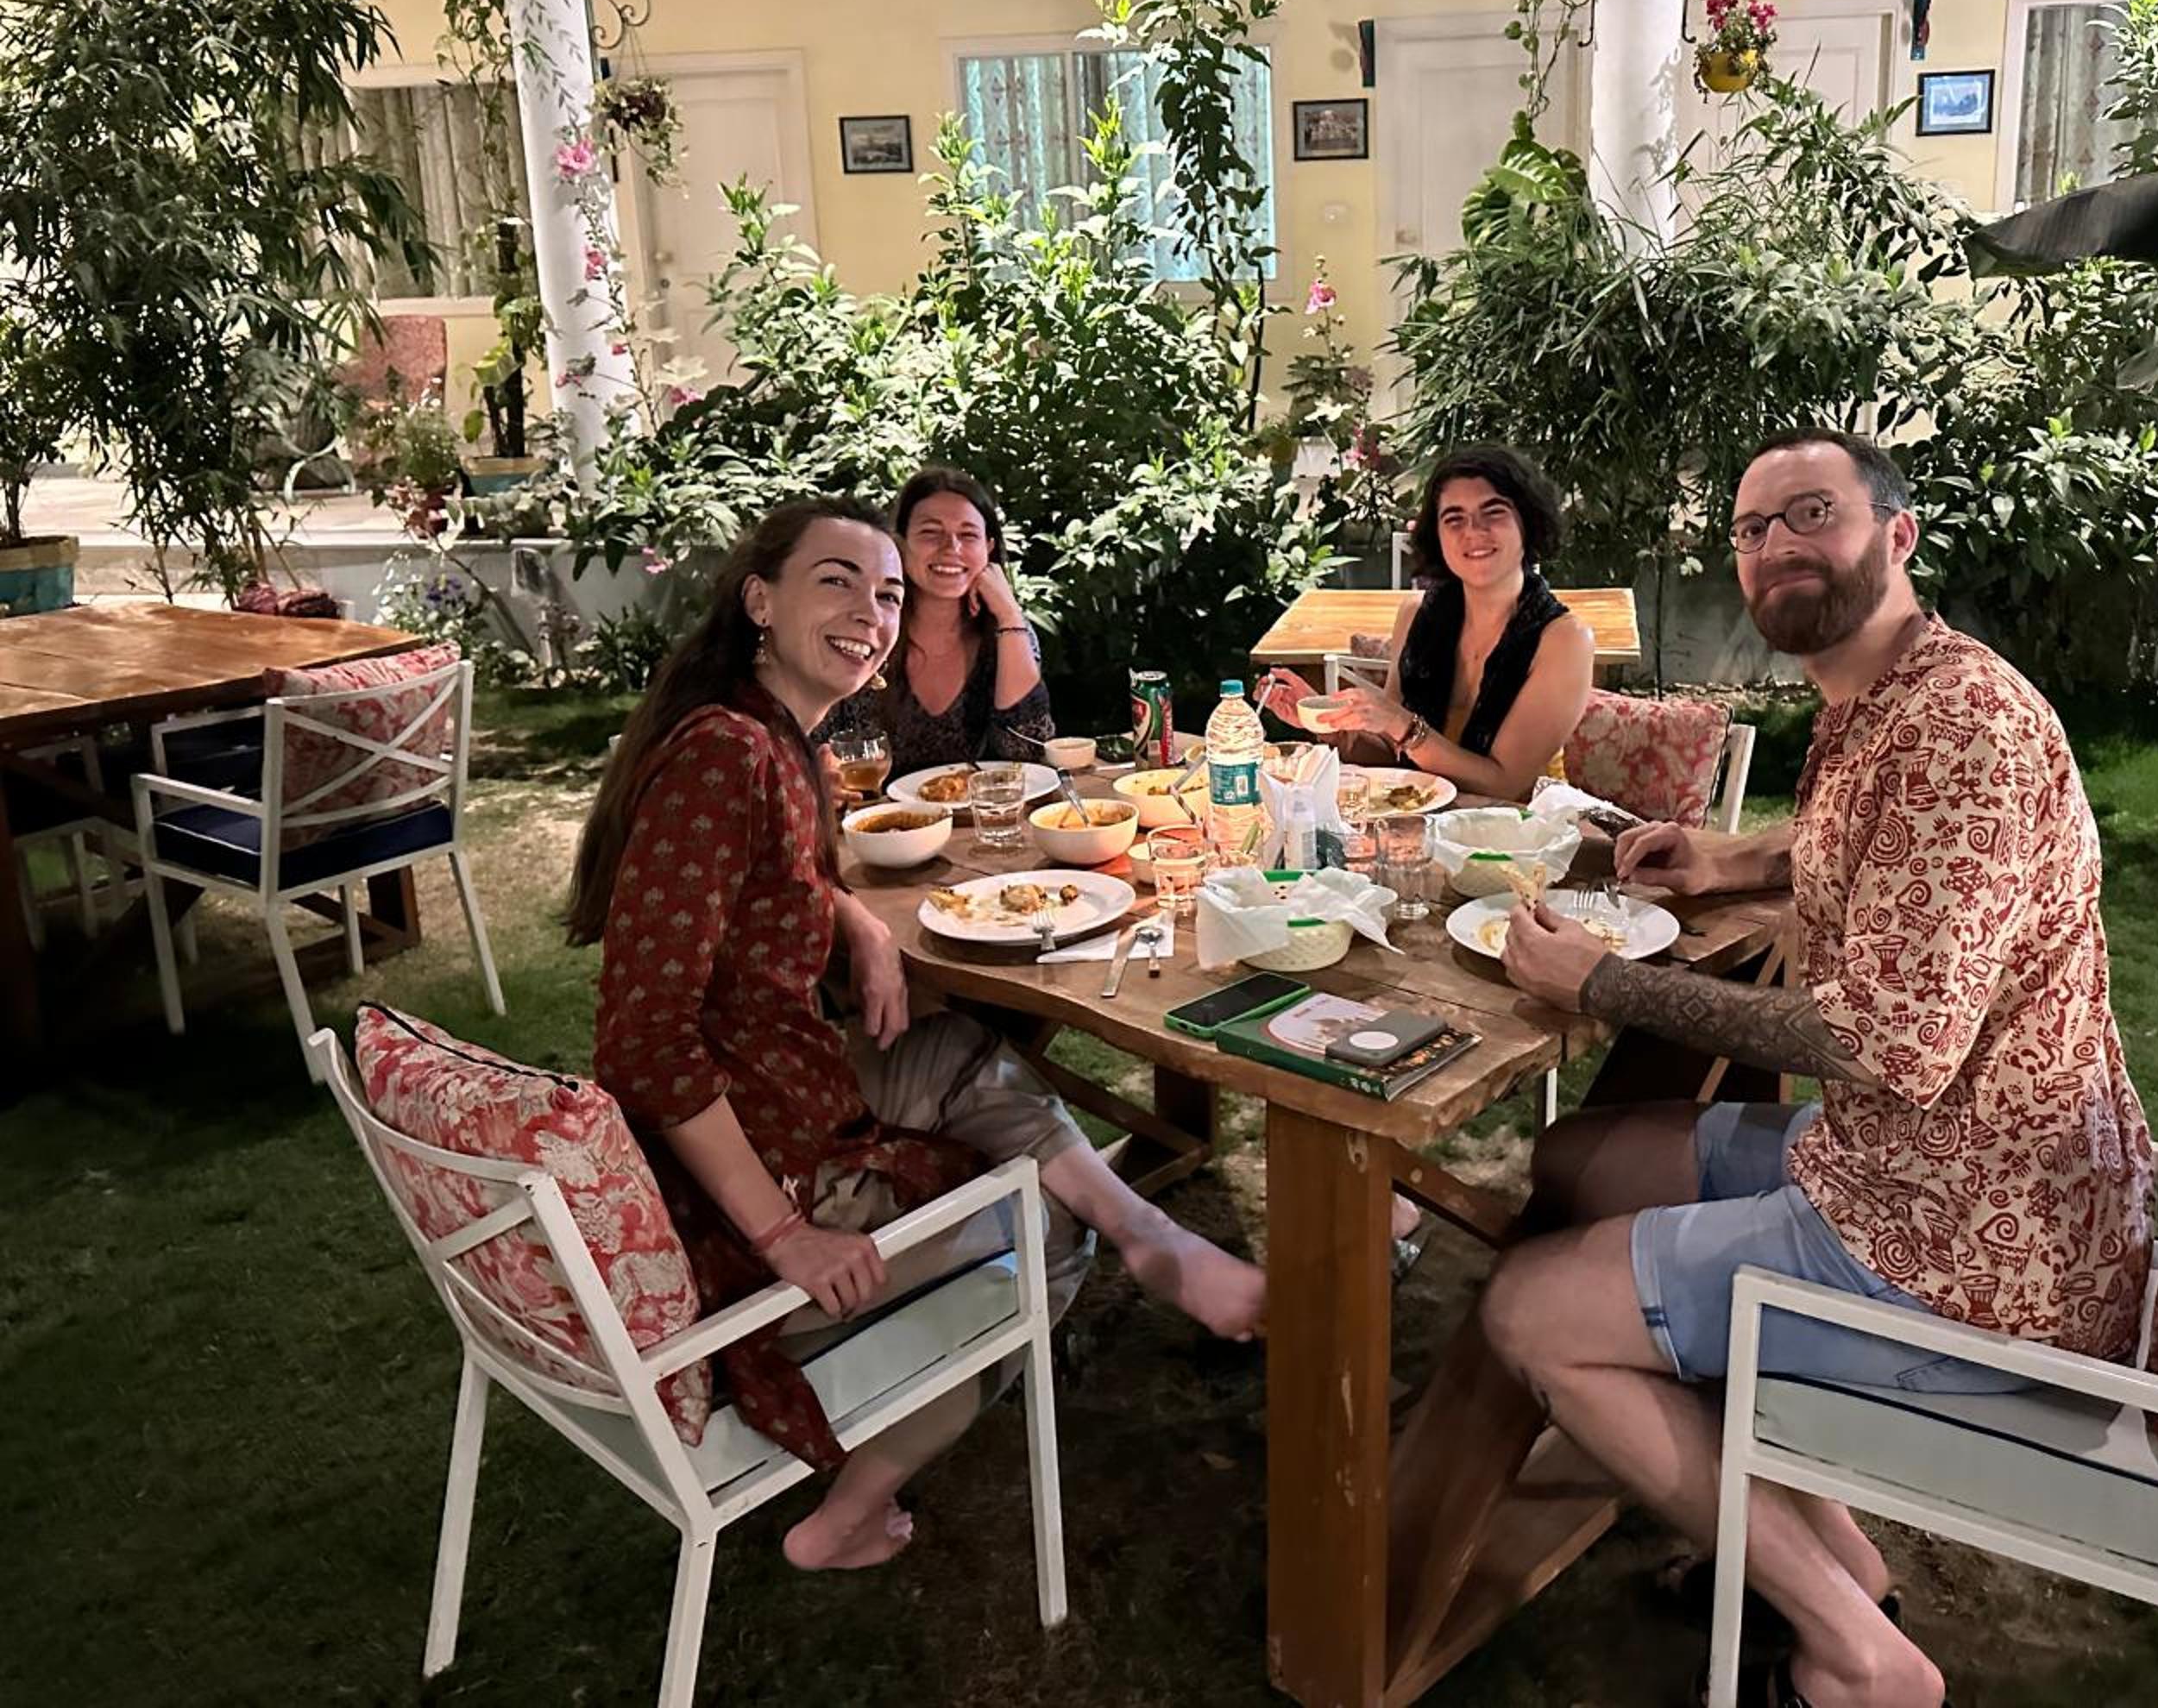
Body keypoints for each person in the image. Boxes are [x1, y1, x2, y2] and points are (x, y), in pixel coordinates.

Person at [1484, 430, 2154, 1708]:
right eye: (1752, 530)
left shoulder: (1961, 730)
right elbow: (1868, 843)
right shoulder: (1890, 690)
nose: (1776, 547)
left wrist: (1605, 985)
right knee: (1579, 1159)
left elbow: (1895, 1045)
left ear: (1896, 535)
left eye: (1810, 515)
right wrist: (1731, 858)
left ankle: (1860, 1656)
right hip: (1917, 1169)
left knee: (1527, 1308)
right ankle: (1828, 1551)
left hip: (1967, 1247)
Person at [569, 496, 1264, 1573]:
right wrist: (785, 1236)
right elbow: (644, 1043)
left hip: (783, 1090)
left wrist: (854, 920)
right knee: (1048, 1229)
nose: (872, 612)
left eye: (886, 594)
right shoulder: (724, 757)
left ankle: (1149, 1232)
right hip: (751, 1181)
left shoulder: (761, 735)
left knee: (952, 1053)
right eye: (837, 581)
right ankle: (854, 1507)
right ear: (760, 600)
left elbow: (776, 874)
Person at [1318, 444, 1594, 801]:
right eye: (1454, 518)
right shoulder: (1416, 615)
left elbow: (1506, 784)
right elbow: (1393, 753)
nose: (1473, 531)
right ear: (1437, 535)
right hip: (1421, 822)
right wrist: (1336, 730)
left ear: (1528, 523)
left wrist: (1403, 725)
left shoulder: (1564, 640)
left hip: (1520, 827)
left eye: (1493, 512)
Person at [823, 466, 1052, 775]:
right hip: (869, 806)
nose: (951, 548)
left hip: (984, 806)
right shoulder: (861, 629)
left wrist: (1010, 614)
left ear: (988, 549)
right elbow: (812, 751)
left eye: (968, 535)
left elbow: (1027, 752)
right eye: (931, 532)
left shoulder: (1010, 633)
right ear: (899, 544)